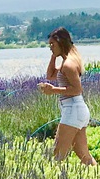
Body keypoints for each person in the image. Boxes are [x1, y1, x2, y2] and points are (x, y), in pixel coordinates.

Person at [38, 28, 95, 165]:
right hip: (77, 110)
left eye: (53, 44)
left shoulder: (69, 64)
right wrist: (54, 56)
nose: (50, 48)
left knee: (57, 156)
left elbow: (77, 89)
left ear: (61, 43)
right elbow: (50, 75)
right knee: (84, 156)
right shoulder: (66, 61)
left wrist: (53, 90)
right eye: (49, 45)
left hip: (73, 110)